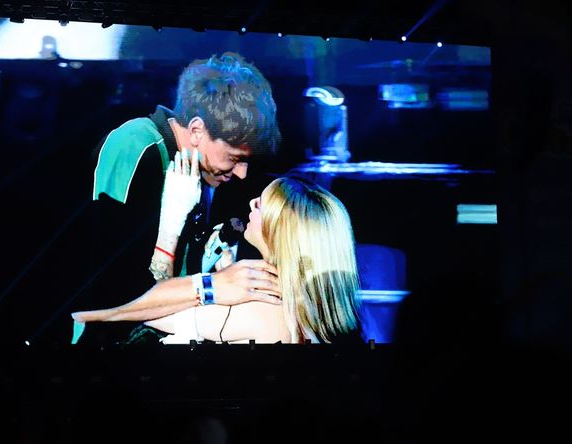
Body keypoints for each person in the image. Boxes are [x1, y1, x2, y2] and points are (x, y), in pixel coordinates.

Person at [79, 51, 282, 345]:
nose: (241, 173)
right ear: (197, 130)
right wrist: (212, 286)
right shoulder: (136, 147)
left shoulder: (202, 169)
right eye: (235, 158)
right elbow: (110, 293)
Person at [73, 176, 363, 344]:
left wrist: (172, 227)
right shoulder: (305, 308)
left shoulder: (263, 307)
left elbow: (129, 309)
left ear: (280, 230)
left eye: (262, 204)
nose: (252, 203)